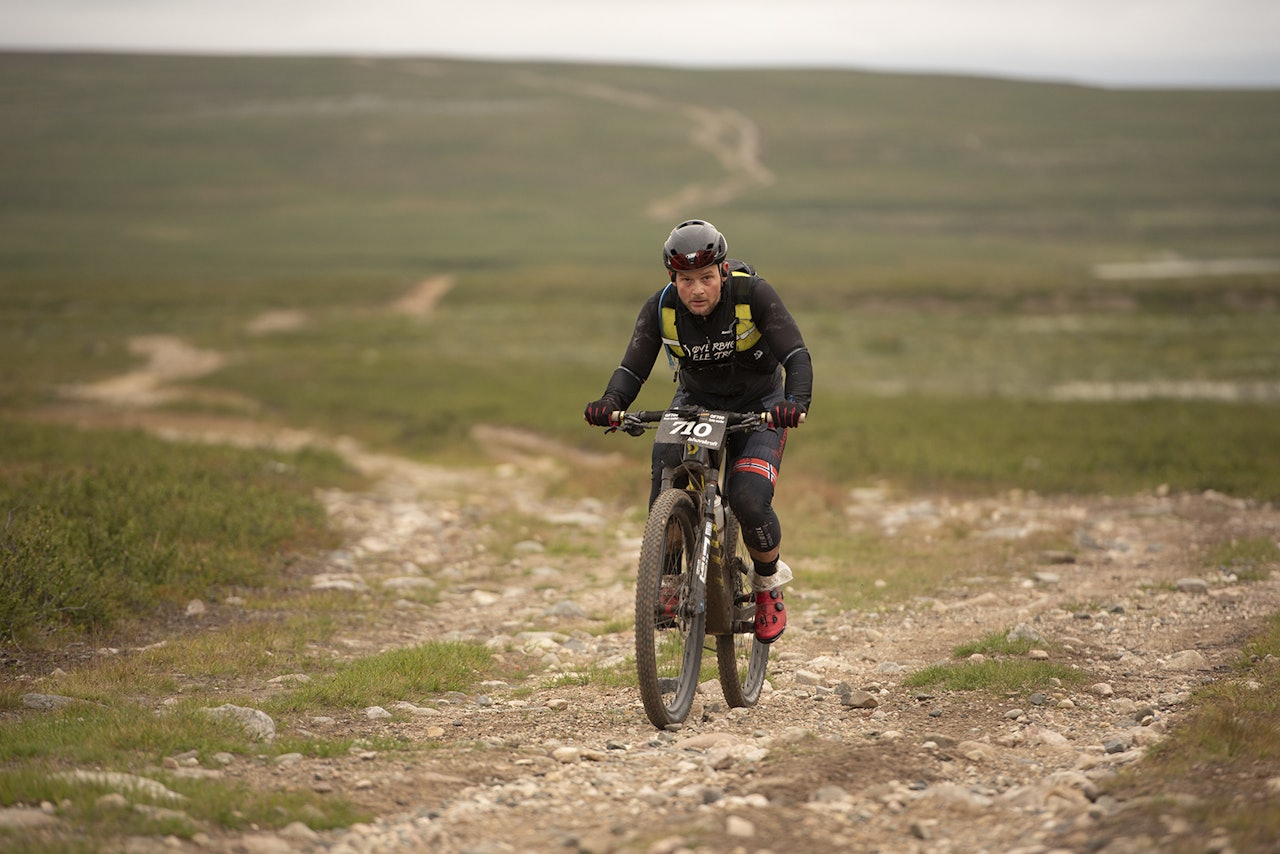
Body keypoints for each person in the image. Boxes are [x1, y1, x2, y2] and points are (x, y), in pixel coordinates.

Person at [584, 219, 813, 643]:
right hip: (696, 403)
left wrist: (794, 404)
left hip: (759, 406)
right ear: (674, 279)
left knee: (748, 496)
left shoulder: (753, 294)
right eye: (686, 280)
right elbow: (632, 367)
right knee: (667, 463)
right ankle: (670, 580)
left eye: (706, 278)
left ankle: (766, 585)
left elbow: (797, 354)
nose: (697, 290)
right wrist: (612, 403)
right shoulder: (662, 308)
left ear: (723, 272)